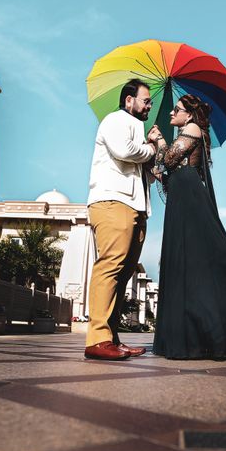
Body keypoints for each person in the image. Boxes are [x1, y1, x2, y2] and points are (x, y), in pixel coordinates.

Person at [151, 94, 226, 359]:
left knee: (208, 256)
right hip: (181, 199)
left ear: (189, 115)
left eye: (176, 110)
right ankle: (200, 336)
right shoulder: (186, 130)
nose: (171, 113)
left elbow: (168, 160)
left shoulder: (192, 129)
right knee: (192, 266)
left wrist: (159, 140)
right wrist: (159, 146)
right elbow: (163, 171)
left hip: (191, 199)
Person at [84, 78, 163, 361]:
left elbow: (147, 174)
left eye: (151, 102)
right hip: (112, 202)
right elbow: (125, 152)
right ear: (129, 101)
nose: (149, 106)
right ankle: (97, 339)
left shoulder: (137, 130)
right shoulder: (115, 120)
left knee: (123, 272)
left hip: (135, 207)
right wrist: (150, 149)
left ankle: (112, 338)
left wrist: (154, 150)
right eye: (145, 101)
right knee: (110, 266)